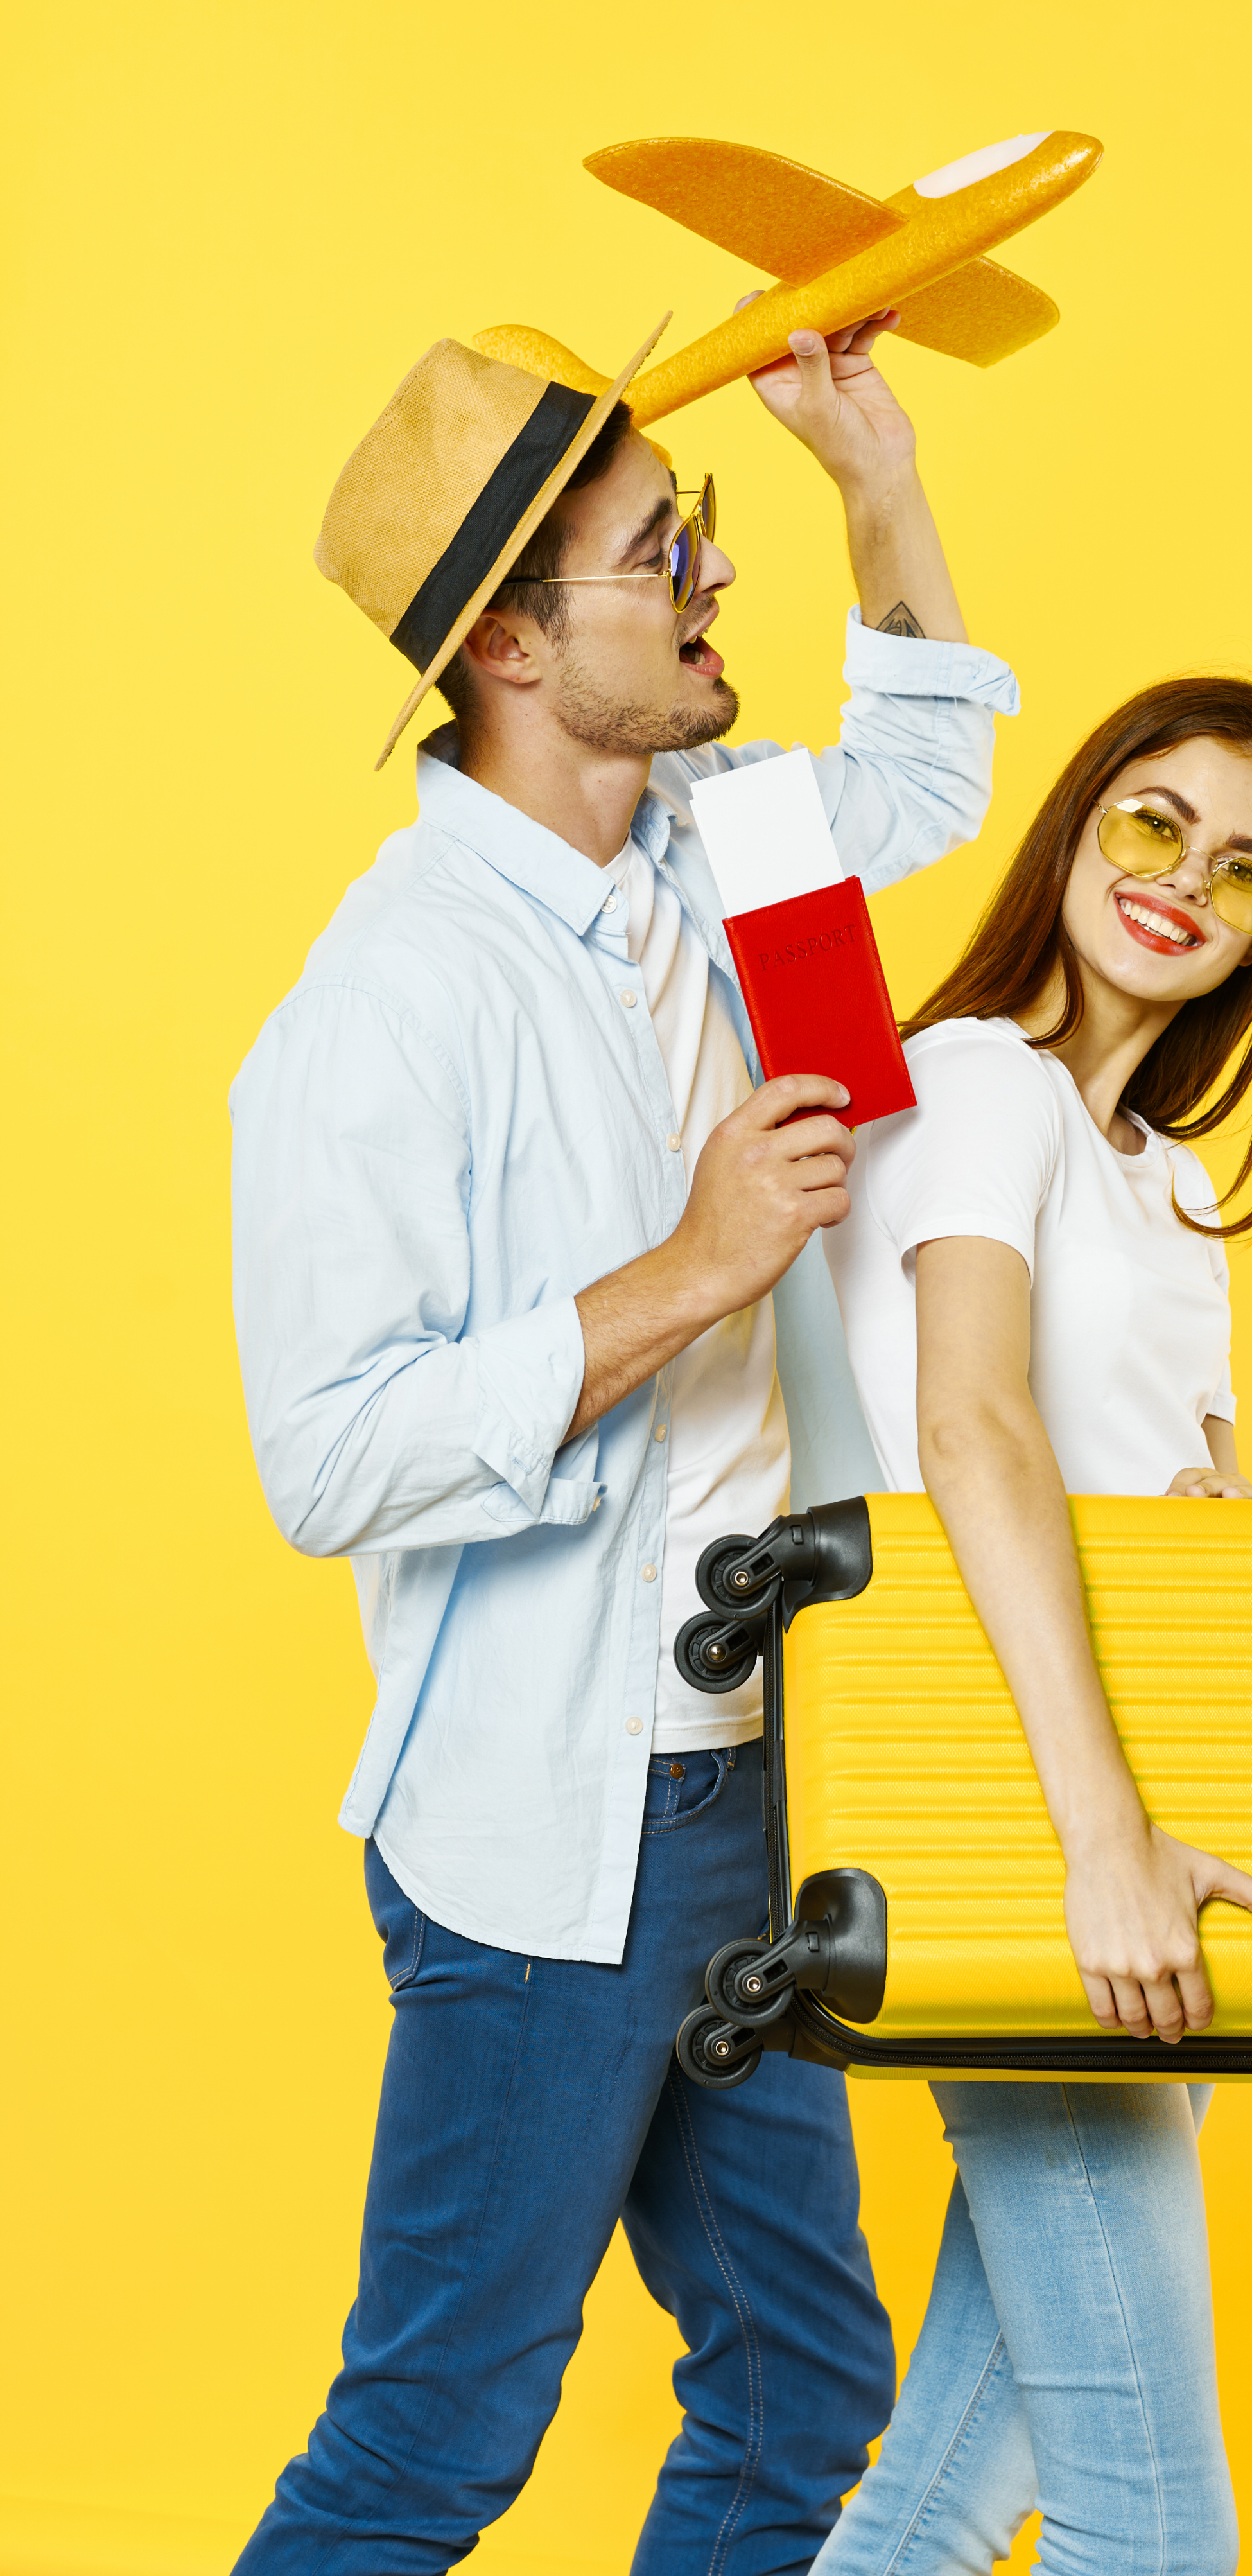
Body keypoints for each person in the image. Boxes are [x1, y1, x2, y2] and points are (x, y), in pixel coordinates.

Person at [227, 304, 1018, 2574]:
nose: (708, 584)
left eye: (699, 533)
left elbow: (938, 780)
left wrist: (870, 472)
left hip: (765, 1761)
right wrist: (684, 1270)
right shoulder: (384, 1009)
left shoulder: (719, 835)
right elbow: (326, 1456)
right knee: (431, 2443)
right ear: (503, 639)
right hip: (552, 1826)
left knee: (799, 2389)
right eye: (660, 551)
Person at [817, 677, 1252, 2576]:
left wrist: (1223, 1531)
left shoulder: (1174, 1185)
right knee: (1150, 2529)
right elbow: (967, 1421)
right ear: (1074, 822)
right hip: (1031, 1822)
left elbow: (1178, 1506)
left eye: (1245, 873)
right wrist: (1099, 1844)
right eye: (1150, 821)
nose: (1183, 883)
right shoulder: (973, 1081)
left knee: (949, 2485)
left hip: (1150, 1837)